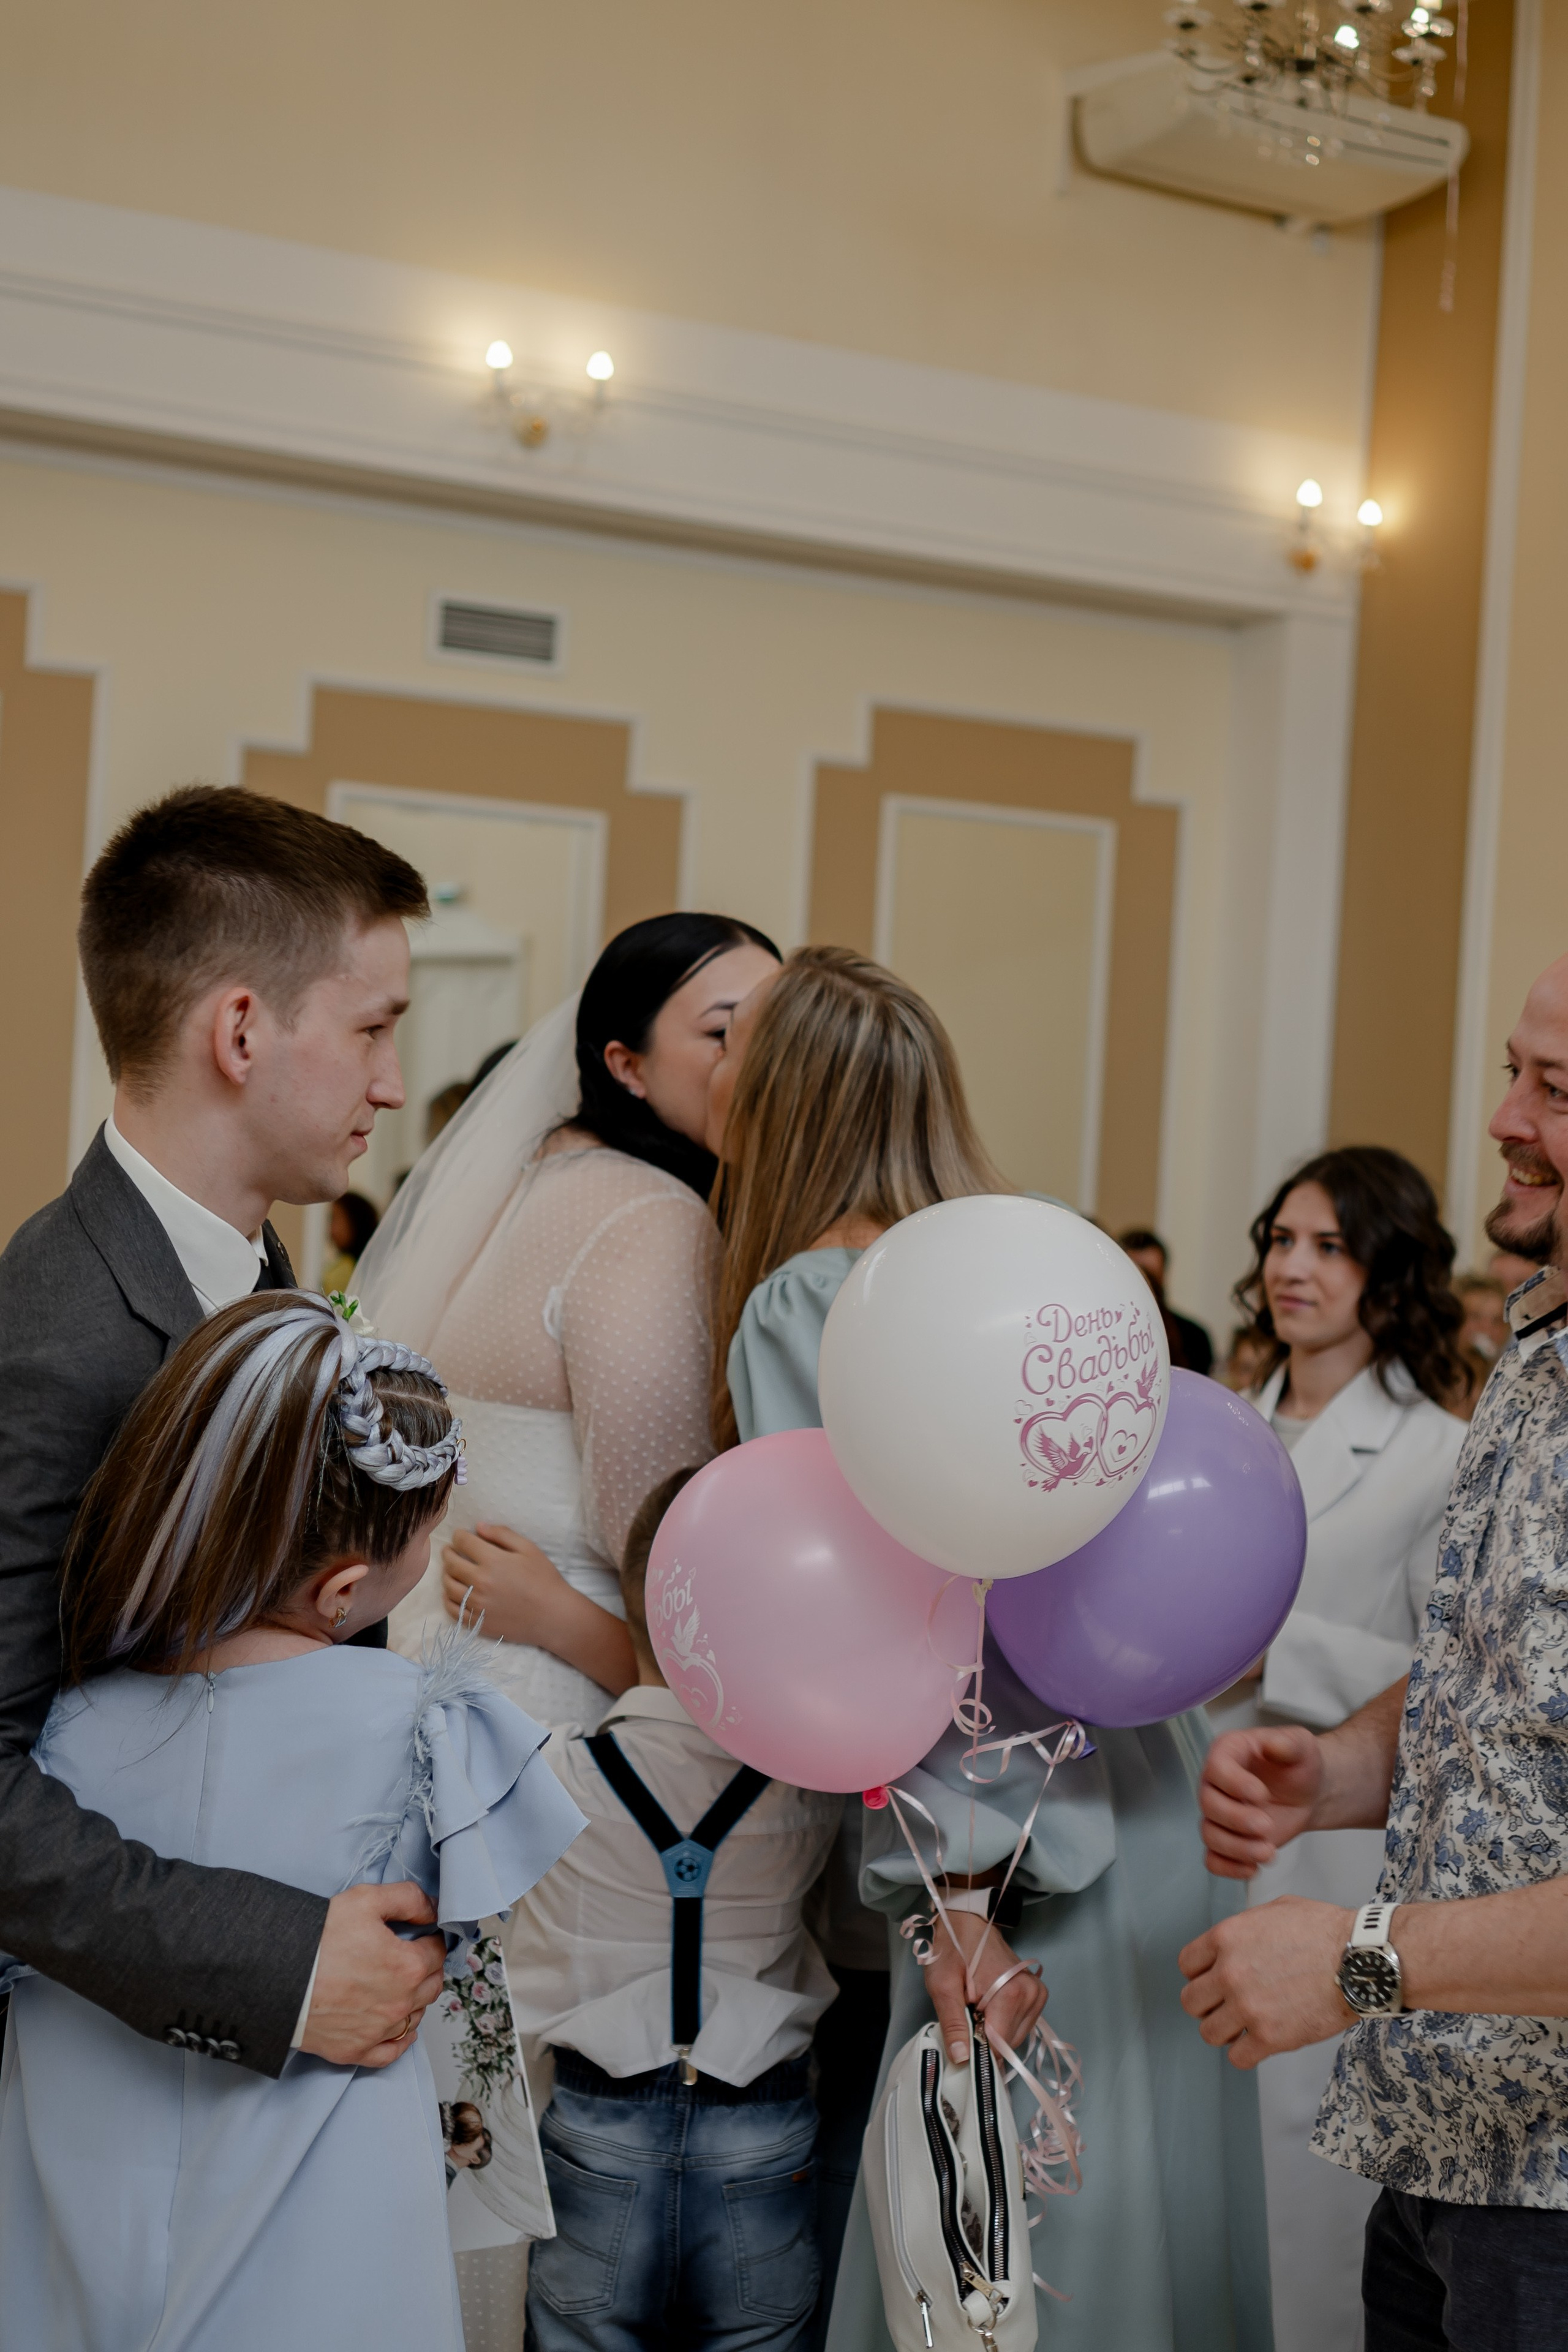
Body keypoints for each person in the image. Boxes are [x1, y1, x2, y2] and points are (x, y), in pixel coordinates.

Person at [709, 945, 1272, 2352]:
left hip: (1005, 1826)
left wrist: (955, 1881)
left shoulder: (810, 1303)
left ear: (780, 1099)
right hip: (1138, 1783)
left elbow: (881, 1621)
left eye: (734, 1048)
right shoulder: (1018, 1274)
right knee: (1148, 2209)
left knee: (1008, 2247)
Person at [0, 1290, 586, 2351]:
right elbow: (473, 1994)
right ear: (345, 1589)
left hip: (73, 2212)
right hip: (325, 2234)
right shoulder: (426, 1735)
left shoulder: (59, 1738)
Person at [0, 785, 447, 2081]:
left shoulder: (272, 1290)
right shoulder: (56, 1333)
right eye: (372, 1028)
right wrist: (279, 1963)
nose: (393, 1080)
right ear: (241, 1031)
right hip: (109, 2057)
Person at [1182, 949, 1568, 2352]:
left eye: (1555, 1090)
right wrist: (1342, 1763)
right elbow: (1498, 1667)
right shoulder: (1535, 1346)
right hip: (1436, 2132)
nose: (1505, 1119)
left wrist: (1357, 1956)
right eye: (1512, 1075)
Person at [359, 912, 781, 1732]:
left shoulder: (537, 1184)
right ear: (626, 1064)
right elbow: (670, 1584)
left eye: (777, 1026)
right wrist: (559, 1618)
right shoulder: (649, 1218)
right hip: (556, 1715)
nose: (759, 1064)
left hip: (443, 1682)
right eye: (725, 1033)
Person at [1206, 1147, 1469, 2352]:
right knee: (1198, 2149)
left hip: (1330, 1847)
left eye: (1328, 1246)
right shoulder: (1216, 1426)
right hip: (1201, 1817)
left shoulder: (1434, 1453)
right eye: (1280, 1241)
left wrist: (1283, 1657)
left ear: (1387, 1270)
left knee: (1300, 2157)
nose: (1292, 1268)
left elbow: (1454, 1681)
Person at [508, 1468, 841, 2352]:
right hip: (761, 2122)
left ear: (634, 1605)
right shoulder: (808, 1791)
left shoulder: (550, 1779)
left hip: (596, 2122)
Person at [1118, 1224, 1215, 1374]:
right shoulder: (1102, 1332)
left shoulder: (1194, 1337)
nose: (1145, 1285)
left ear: (1164, 1277)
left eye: (1151, 1277)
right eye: (1136, 1275)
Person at [322, 1187, 380, 1296]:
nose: (329, 1229)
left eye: (333, 1218)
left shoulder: (344, 1272)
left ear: (354, 1222)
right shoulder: (376, 1268)